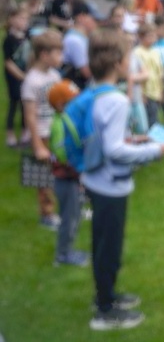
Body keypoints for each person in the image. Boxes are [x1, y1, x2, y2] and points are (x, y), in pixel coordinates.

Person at [82, 28, 164, 330]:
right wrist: (153, 150)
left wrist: (134, 139)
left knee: (102, 242)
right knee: (109, 247)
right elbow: (113, 149)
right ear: (118, 62)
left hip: (95, 179)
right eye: (129, 57)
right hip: (111, 185)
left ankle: (106, 294)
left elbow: (107, 138)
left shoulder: (94, 91)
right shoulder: (117, 100)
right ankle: (104, 312)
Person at [21, 29, 63, 230]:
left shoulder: (54, 75)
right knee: (42, 175)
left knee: (58, 171)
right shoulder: (32, 80)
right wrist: (37, 145)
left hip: (55, 131)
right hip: (41, 135)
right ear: (45, 55)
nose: (61, 58)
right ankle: (46, 214)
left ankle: (63, 206)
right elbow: (29, 115)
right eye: (58, 53)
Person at [48, 79, 89, 267]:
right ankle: (63, 254)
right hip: (66, 178)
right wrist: (78, 166)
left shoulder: (66, 119)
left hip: (72, 177)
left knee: (75, 214)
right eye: (73, 101)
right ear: (60, 105)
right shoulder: (60, 124)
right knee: (69, 217)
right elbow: (63, 154)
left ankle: (67, 250)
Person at [3, 7, 30, 147]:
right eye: (20, 18)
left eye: (25, 18)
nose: (24, 21)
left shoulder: (27, 35)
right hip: (14, 76)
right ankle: (10, 134)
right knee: (14, 102)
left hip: (26, 74)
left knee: (26, 103)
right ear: (12, 20)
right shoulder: (9, 39)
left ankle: (26, 132)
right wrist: (21, 76)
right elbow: (8, 62)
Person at [133, 23, 164, 128]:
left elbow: (160, 73)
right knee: (148, 120)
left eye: (154, 36)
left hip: (155, 91)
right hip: (145, 92)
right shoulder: (137, 52)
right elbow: (137, 74)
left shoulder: (155, 51)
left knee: (155, 117)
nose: (152, 39)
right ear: (141, 37)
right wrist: (141, 94)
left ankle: (155, 140)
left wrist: (161, 92)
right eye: (149, 36)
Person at [61, 0, 97, 89]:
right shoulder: (75, 40)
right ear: (81, 17)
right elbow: (87, 73)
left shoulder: (82, 38)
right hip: (73, 88)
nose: (96, 22)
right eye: (93, 18)